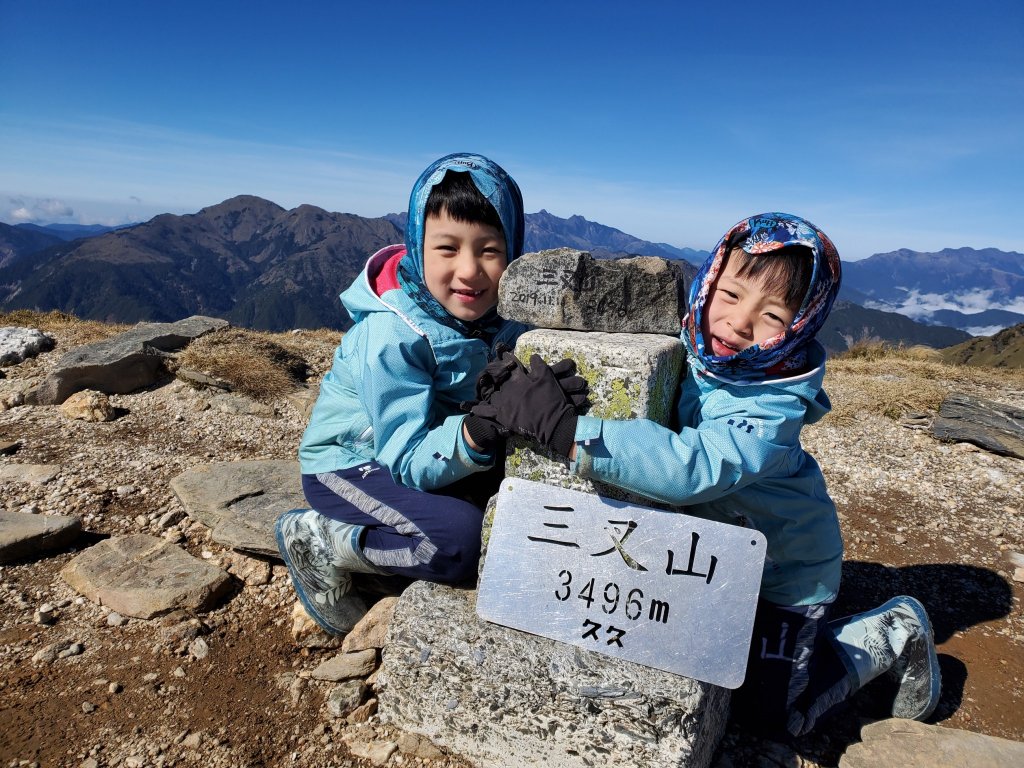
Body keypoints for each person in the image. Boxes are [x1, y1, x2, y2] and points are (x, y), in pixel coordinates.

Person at [470, 212, 941, 736]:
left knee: (769, 717)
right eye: (732, 295)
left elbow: (694, 468)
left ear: (801, 326)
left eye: (772, 317)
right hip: (709, 559)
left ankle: (891, 632)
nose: (739, 323)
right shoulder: (696, 346)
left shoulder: (772, 405)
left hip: (787, 576)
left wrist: (566, 429)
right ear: (709, 281)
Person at [275, 153, 530, 636]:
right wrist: (478, 432)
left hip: (438, 452)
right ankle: (324, 541)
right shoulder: (393, 335)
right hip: (351, 463)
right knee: (458, 543)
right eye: (448, 248)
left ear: (513, 252)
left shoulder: (504, 321)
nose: (470, 270)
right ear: (417, 245)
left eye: (490, 250)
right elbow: (406, 458)